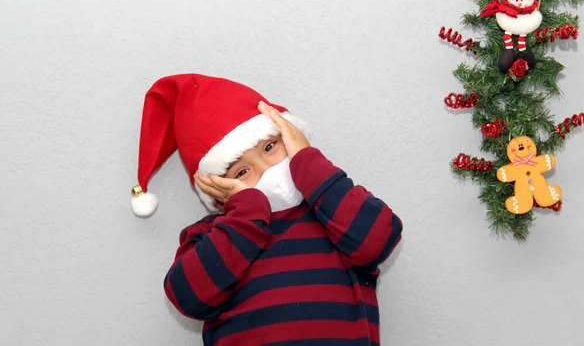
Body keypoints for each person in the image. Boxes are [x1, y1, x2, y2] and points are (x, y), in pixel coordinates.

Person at [131, 73, 403, 345]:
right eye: (242, 171)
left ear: (292, 137)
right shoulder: (213, 235)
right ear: (216, 191)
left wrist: (309, 165)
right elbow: (187, 298)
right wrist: (245, 214)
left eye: (270, 147)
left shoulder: (333, 211)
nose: (266, 171)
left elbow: (380, 238)